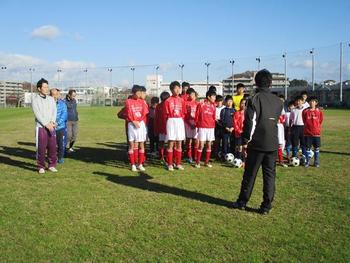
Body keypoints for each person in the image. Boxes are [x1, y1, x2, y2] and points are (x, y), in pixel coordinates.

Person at [232, 69, 283, 215]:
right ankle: (266, 206)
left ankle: (242, 202)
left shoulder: (254, 99)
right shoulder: (278, 101)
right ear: (271, 82)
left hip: (257, 143)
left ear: (256, 82)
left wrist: (245, 139)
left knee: (250, 174)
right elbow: (278, 122)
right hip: (273, 143)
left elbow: (251, 122)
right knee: (270, 176)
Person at [31, 78, 58, 174]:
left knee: (52, 147)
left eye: (47, 86)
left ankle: (52, 165)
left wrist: (52, 122)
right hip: (41, 127)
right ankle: (40, 166)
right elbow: (37, 114)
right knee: (41, 148)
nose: (47, 89)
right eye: (44, 87)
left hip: (51, 126)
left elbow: (54, 111)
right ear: (39, 88)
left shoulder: (51, 99)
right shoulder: (35, 100)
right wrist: (46, 124)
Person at [125, 85, 149, 172]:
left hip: (140, 124)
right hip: (132, 124)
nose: (139, 94)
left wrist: (139, 121)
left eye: (140, 92)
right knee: (133, 144)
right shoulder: (128, 101)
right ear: (133, 93)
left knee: (141, 144)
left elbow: (144, 113)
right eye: (138, 92)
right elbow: (128, 113)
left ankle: (140, 164)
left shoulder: (142, 102)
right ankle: (133, 164)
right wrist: (133, 121)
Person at [164, 81, 186, 171]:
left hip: (179, 121)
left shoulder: (181, 100)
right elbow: (165, 114)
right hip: (171, 120)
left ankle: (178, 163)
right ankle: (170, 164)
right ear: (171, 89)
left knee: (179, 143)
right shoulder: (168, 101)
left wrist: (180, 120)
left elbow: (184, 112)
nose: (177, 90)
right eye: (175, 88)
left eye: (179, 88)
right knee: (171, 142)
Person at [194, 90, 216, 168]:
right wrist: (197, 125)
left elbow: (214, 117)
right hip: (202, 127)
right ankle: (197, 162)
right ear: (208, 97)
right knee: (201, 145)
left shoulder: (214, 106)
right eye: (213, 96)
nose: (214, 98)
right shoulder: (201, 104)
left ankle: (206, 162)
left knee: (209, 145)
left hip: (211, 128)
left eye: (215, 96)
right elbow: (196, 115)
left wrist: (213, 125)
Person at [302, 97, 323, 167]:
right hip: (307, 133)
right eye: (310, 101)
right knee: (307, 148)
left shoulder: (319, 111)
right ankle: (307, 162)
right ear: (308, 102)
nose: (312, 103)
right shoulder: (305, 111)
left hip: (316, 133)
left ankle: (316, 162)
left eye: (313, 101)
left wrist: (316, 127)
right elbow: (304, 120)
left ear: (316, 103)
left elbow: (320, 121)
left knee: (316, 148)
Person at [50, 88, 68, 164]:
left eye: (56, 94)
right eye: (53, 95)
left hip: (60, 127)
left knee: (61, 144)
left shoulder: (62, 104)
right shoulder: (48, 104)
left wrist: (57, 123)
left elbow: (64, 115)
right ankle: (51, 158)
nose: (55, 96)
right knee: (51, 145)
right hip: (50, 127)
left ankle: (60, 157)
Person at [154, 91, 170, 163]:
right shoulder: (158, 106)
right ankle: (161, 156)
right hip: (161, 127)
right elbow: (156, 118)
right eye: (163, 100)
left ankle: (167, 156)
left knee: (168, 143)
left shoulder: (170, 105)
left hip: (169, 127)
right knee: (162, 142)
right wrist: (156, 129)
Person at [184, 88, 199, 163]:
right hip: (188, 124)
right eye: (190, 94)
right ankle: (189, 156)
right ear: (188, 95)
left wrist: (196, 123)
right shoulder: (185, 103)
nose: (191, 96)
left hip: (196, 124)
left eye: (193, 94)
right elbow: (185, 115)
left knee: (196, 141)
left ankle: (195, 156)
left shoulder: (197, 104)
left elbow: (199, 115)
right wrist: (189, 124)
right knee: (189, 140)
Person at [233, 98, 246, 165]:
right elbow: (235, 123)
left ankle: (244, 161)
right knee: (239, 147)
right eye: (242, 103)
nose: (243, 105)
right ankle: (239, 160)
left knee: (245, 147)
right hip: (239, 133)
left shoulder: (248, 113)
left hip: (246, 133)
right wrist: (239, 130)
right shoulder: (237, 113)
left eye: (244, 103)